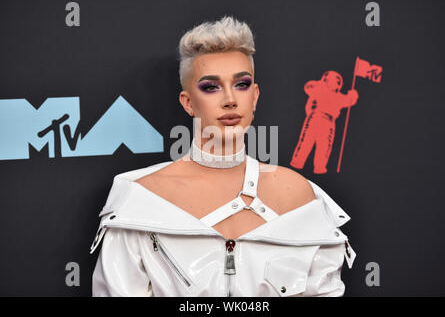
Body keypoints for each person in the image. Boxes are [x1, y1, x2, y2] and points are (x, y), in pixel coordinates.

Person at [90, 16, 356, 297]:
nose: (230, 99)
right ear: (188, 102)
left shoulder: (300, 196)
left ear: (254, 97)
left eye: (241, 84)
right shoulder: (139, 202)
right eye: (211, 87)